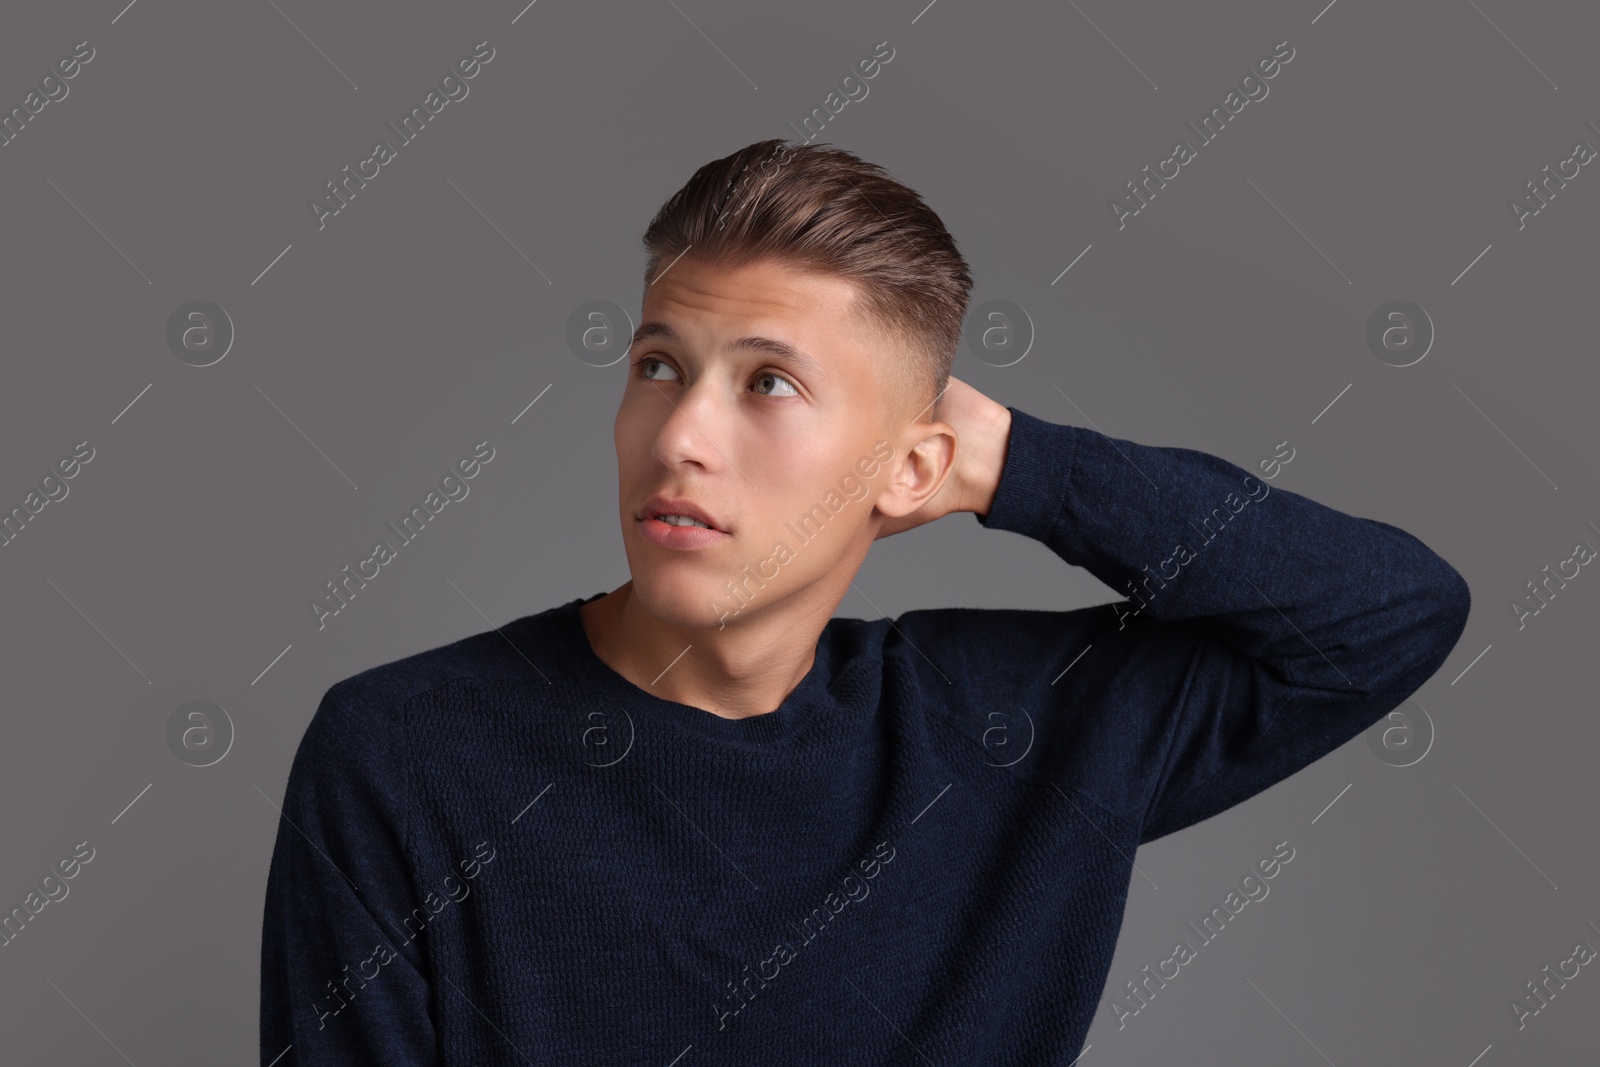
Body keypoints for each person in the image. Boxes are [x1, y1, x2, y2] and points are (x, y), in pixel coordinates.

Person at [260, 139, 1471, 1065]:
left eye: (769, 382)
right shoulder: (402, 750)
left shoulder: (1011, 731)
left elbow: (1384, 611)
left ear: (912, 469)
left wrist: (1018, 463)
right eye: (656, 366)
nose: (679, 434)